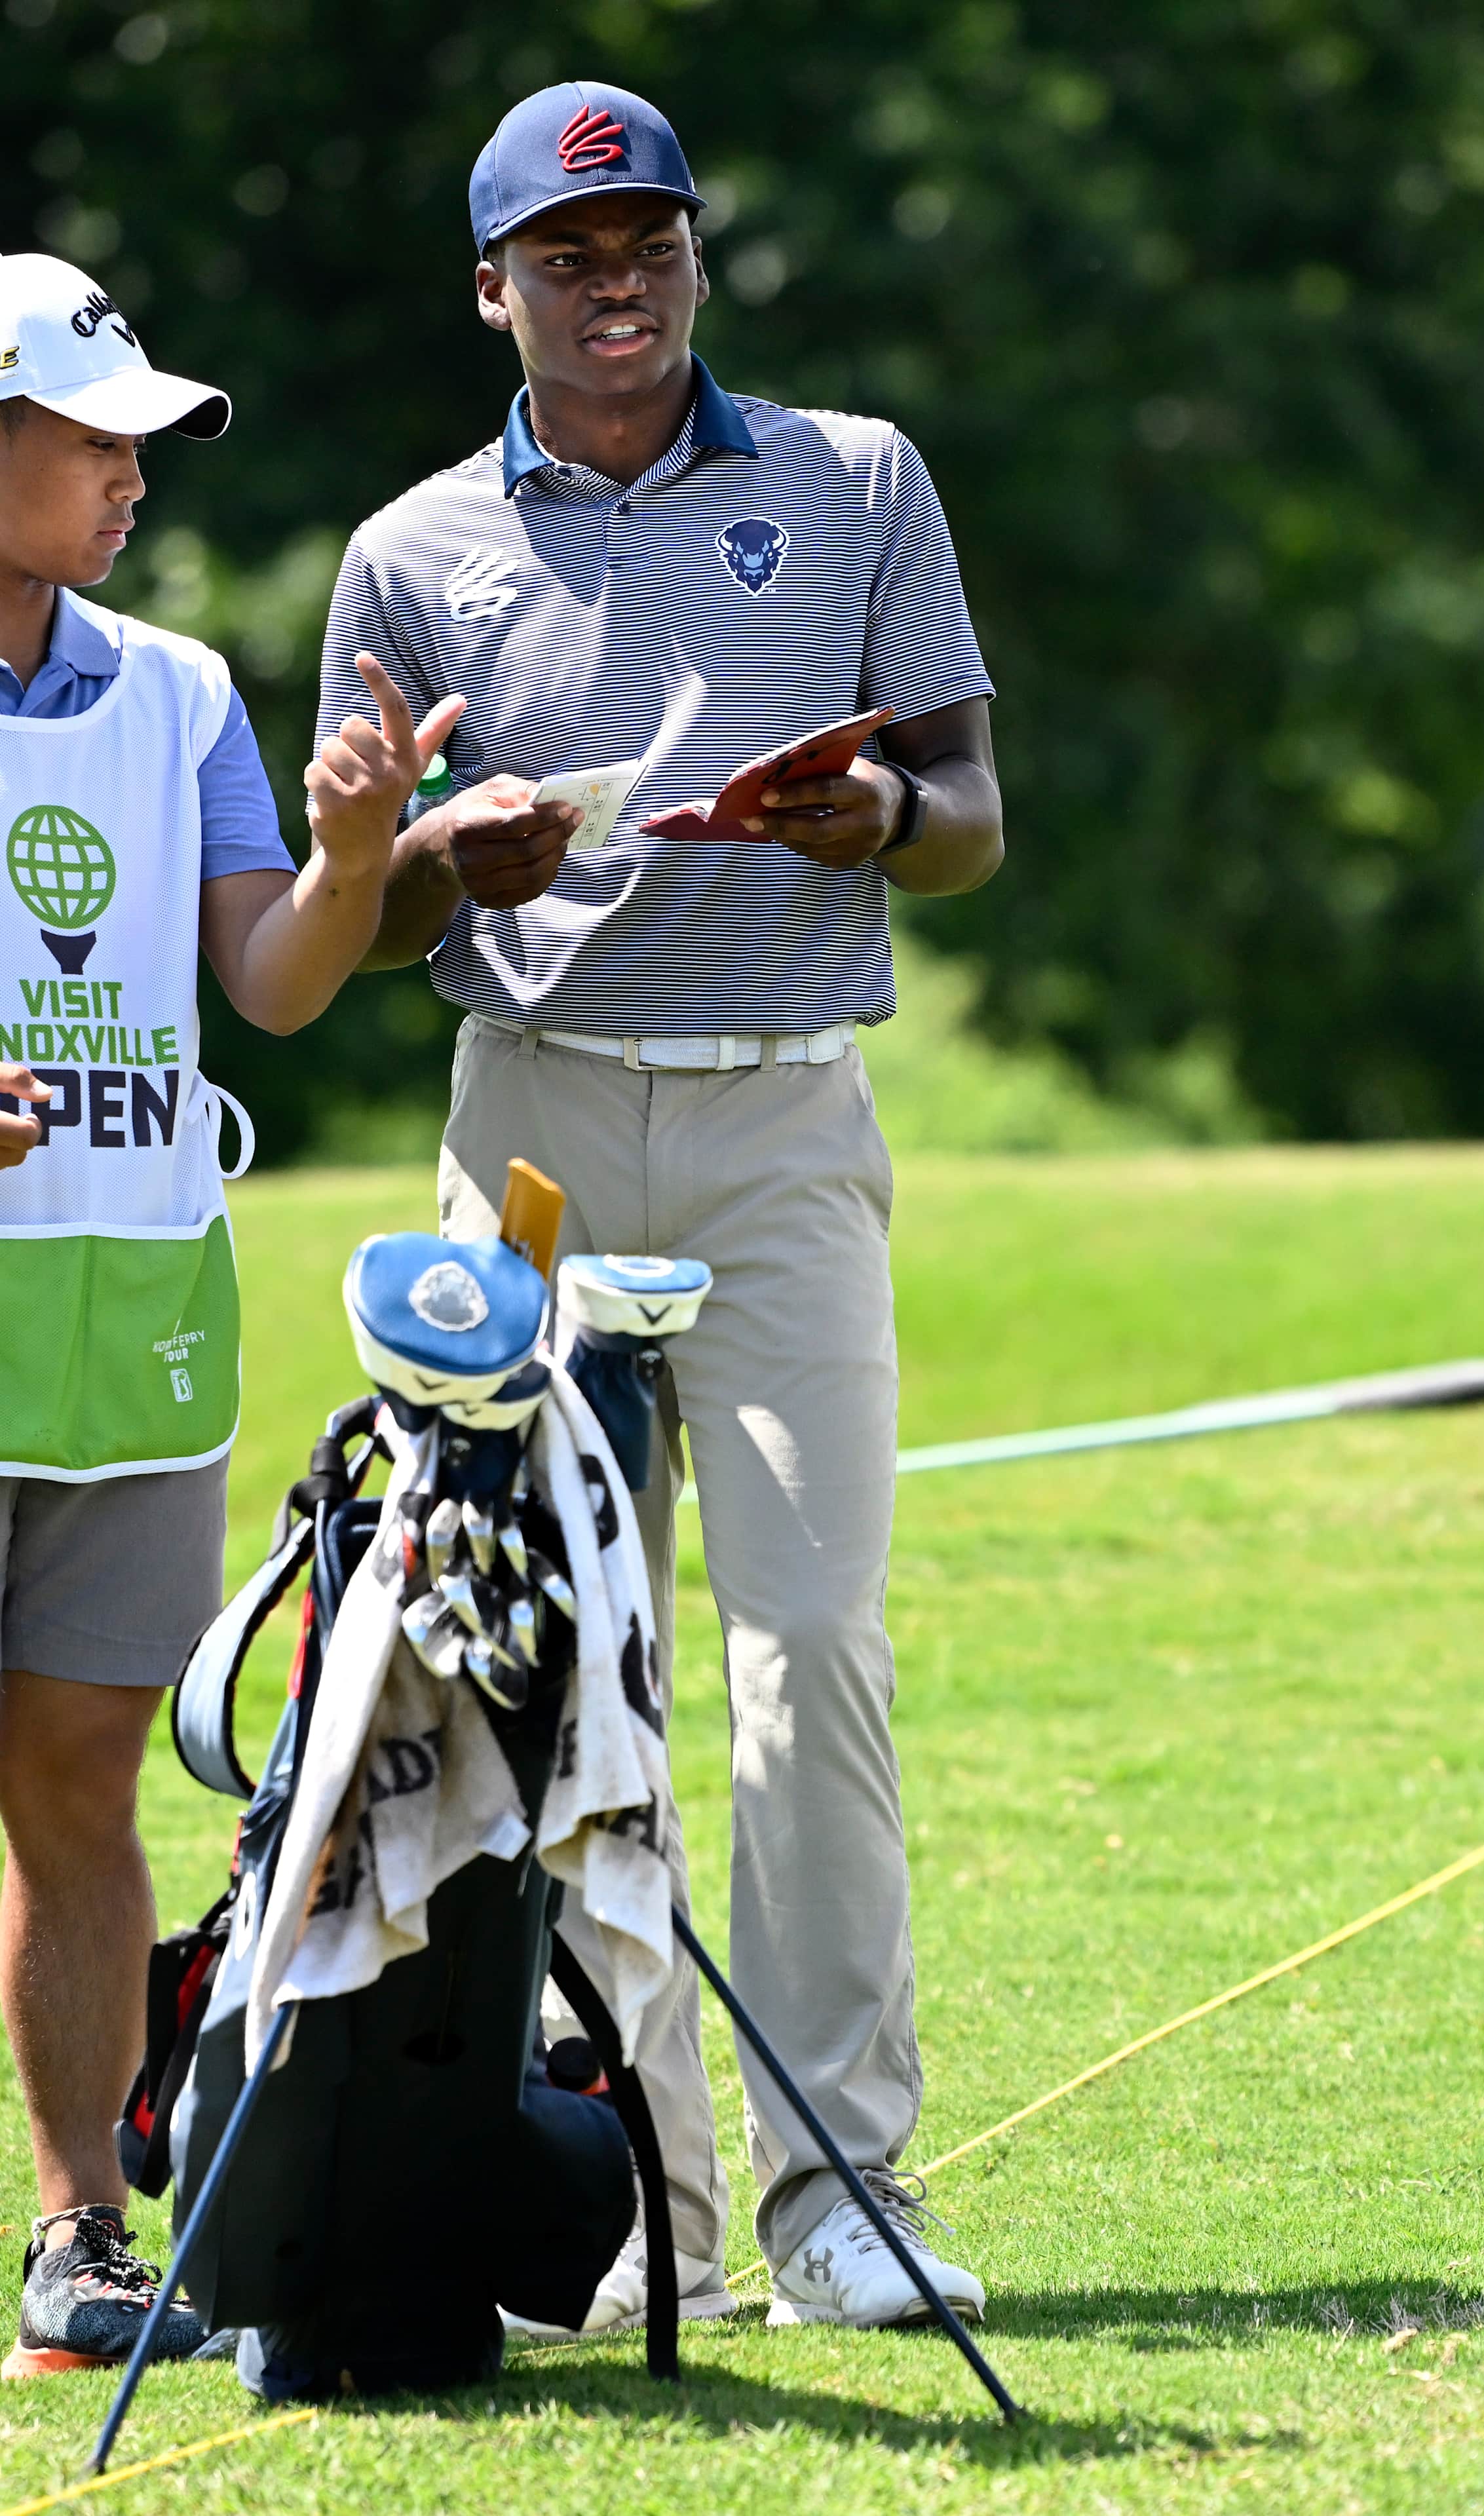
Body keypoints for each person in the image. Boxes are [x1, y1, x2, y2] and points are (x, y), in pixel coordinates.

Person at [327, 81, 1005, 2333]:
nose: (620, 283)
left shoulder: (855, 477)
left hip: (783, 1125)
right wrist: (447, 860)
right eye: (572, 253)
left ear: (698, 264)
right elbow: (354, 912)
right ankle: (636, 2221)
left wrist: (883, 808)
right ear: (495, 289)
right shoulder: (410, 553)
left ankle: (838, 2196)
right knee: (537, 1681)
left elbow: (977, 805)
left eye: (656, 244)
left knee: (810, 1648)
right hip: (525, 1130)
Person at [0, 252, 455, 2376]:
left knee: (84, 1791)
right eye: (96, 443)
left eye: (138, 451)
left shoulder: (176, 691)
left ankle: (81, 2232)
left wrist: (361, 864)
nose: (129, 485)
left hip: (136, 1319)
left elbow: (266, 974)